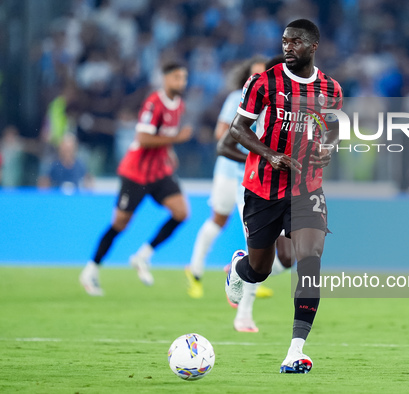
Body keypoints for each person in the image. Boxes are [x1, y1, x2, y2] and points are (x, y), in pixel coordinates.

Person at [224, 19, 343, 373]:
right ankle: (238, 267)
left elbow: (333, 128)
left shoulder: (330, 88)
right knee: (258, 270)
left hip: (307, 187)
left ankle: (295, 350)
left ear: (313, 46)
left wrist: (328, 148)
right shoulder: (264, 82)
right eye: (285, 41)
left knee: (309, 261)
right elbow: (237, 129)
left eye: (296, 42)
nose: (288, 47)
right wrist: (269, 154)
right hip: (262, 188)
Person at [80, 62, 192, 296]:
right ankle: (90, 270)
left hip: (159, 172)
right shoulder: (153, 103)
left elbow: (163, 136)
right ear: (165, 79)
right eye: (177, 78)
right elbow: (142, 138)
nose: (181, 82)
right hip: (136, 173)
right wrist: (177, 141)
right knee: (120, 223)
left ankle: (143, 256)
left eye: (184, 78)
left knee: (181, 212)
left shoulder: (179, 105)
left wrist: (169, 153)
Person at [215, 55, 295, 333]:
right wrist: (260, 157)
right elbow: (224, 145)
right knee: (264, 256)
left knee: (286, 260)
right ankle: (243, 315)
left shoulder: (290, 109)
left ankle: (239, 269)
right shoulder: (252, 103)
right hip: (252, 188)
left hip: (285, 189)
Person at [185, 57, 271, 301]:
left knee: (254, 225)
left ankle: (251, 277)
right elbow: (221, 134)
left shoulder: (271, 103)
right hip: (229, 171)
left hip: (250, 174)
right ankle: (195, 270)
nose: (258, 79)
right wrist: (251, 154)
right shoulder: (237, 98)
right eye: (254, 74)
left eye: (262, 75)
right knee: (219, 220)